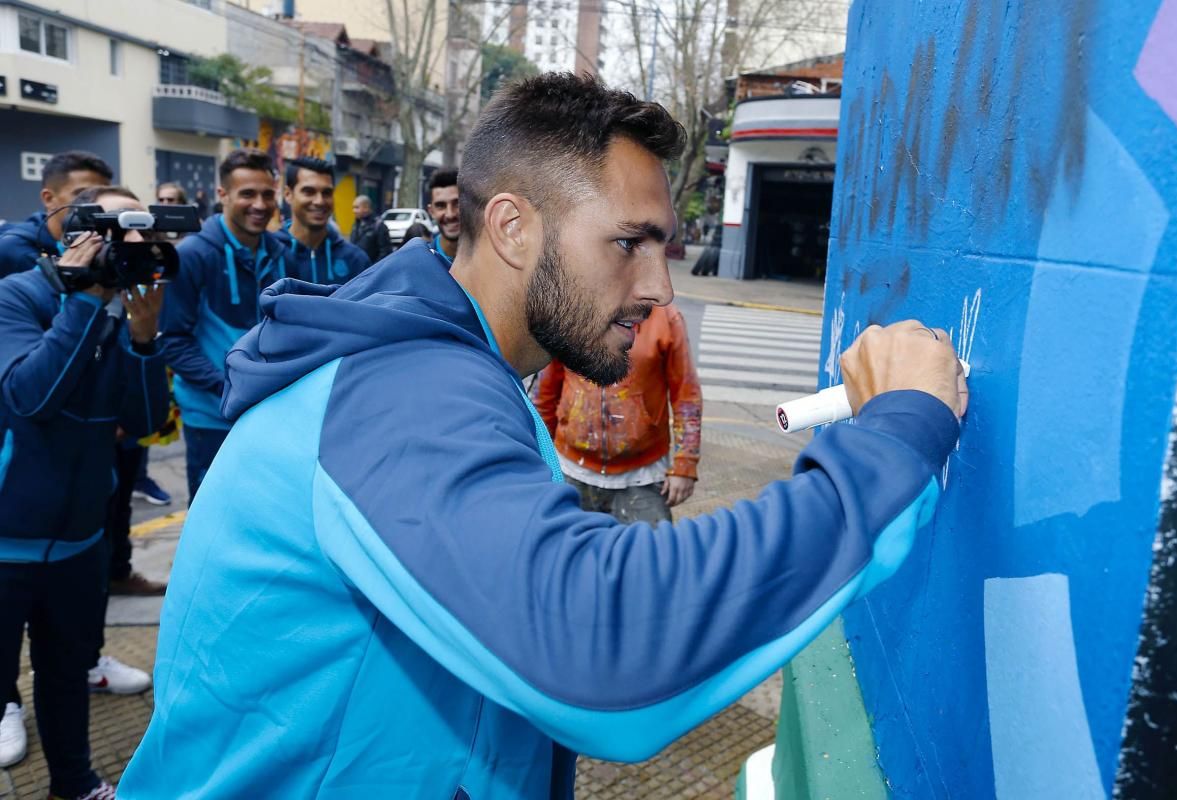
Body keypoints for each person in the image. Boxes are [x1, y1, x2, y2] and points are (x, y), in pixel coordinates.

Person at [121, 74, 966, 798]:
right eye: (628, 243)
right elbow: (604, 643)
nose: (660, 287)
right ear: (513, 227)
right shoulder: (403, 392)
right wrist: (895, 441)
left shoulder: (457, 368)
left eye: (663, 247)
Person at [0, 186, 169, 800]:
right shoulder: (16, 296)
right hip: (7, 538)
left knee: (67, 673)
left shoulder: (127, 307)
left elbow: (145, 422)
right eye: (114, 227)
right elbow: (30, 400)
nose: (130, 244)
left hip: (80, 539)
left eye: (139, 230)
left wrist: (146, 341)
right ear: (77, 231)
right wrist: (83, 302)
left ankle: (73, 782)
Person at [159, 149, 289, 503]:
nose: (259, 204)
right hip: (212, 419)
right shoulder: (192, 255)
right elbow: (173, 341)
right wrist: (230, 389)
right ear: (223, 196)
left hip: (268, 414)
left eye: (267, 194)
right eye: (247, 194)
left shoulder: (281, 250)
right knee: (211, 519)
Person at [534, 303, 701, 524]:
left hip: (641, 478)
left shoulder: (666, 317)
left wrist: (684, 466)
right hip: (571, 471)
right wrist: (540, 455)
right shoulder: (570, 308)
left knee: (647, 557)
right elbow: (544, 394)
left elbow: (686, 396)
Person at [0, 151, 112, 278]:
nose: (96, 202)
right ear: (48, 199)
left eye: (104, 195)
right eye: (83, 194)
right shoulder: (15, 252)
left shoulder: (109, 242)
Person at [275, 157, 370, 286]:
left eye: (326, 193)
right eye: (309, 192)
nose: (319, 201)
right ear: (288, 194)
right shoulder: (269, 255)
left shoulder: (356, 260)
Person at [427, 167, 460, 264]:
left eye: (457, 203)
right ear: (431, 211)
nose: (450, 214)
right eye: (440, 206)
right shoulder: (423, 262)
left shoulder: (491, 258)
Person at [349, 195, 393, 263]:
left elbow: (385, 252)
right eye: (353, 208)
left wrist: (372, 269)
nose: (354, 211)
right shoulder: (356, 225)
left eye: (357, 207)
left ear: (366, 208)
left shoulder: (379, 226)